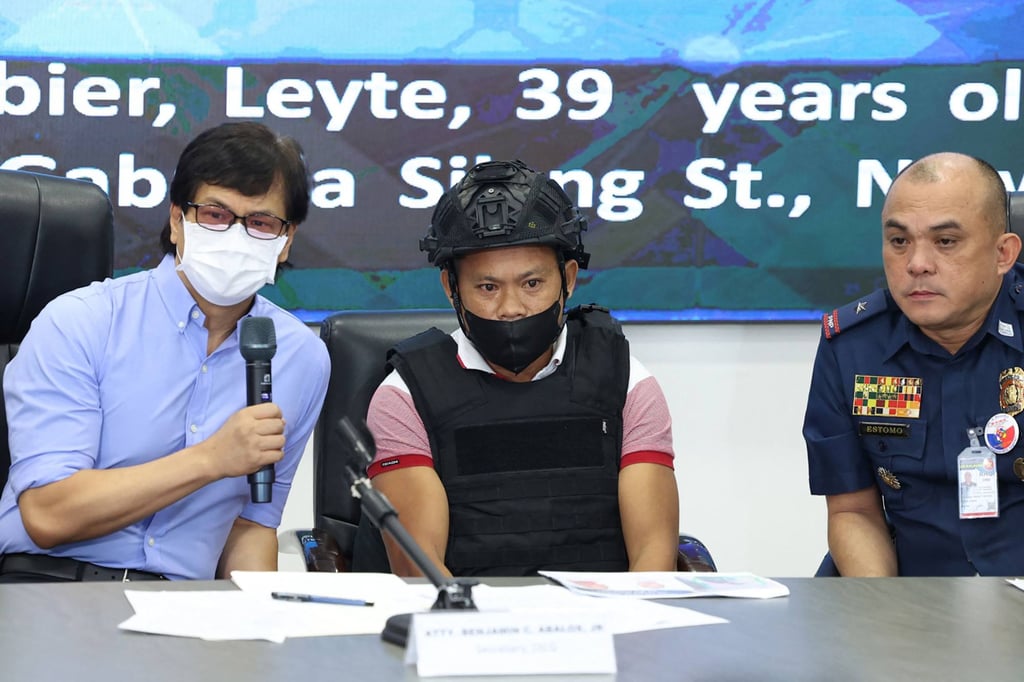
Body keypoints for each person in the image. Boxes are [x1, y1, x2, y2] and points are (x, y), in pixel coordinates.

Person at [0, 122, 330, 582]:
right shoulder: (82, 320)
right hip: (51, 583)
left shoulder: (300, 357)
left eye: (260, 223)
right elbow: (48, 513)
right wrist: (211, 459)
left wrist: (258, 620)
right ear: (177, 220)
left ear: (286, 240)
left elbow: (251, 525)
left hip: (183, 605)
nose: (235, 235)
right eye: (214, 215)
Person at [362, 159, 680, 577]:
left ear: (568, 279)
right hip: (461, 616)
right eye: (487, 287)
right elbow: (419, 569)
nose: (511, 308)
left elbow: (653, 557)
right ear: (451, 288)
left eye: (532, 284)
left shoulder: (627, 383)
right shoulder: (404, 396)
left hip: (604, 617)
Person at [803, 151, 1024, 576]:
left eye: (946, 241)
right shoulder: (853, 347)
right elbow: (853, 511)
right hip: (908, 587)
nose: (917, 264)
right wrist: (888, 607)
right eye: (899, 241)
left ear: (1003, 253)